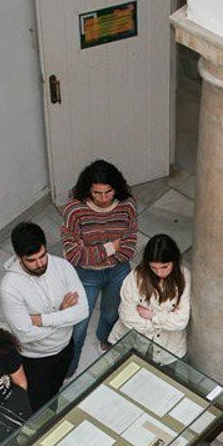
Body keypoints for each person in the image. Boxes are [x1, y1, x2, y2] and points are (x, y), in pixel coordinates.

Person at [0, 222, 89, 409]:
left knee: (55, 390)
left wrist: (42, 319)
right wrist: (64, 315)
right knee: (38, 404)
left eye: (42, 256)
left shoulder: (61, 266)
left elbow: (82, 311)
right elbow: (25, 335)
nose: (40, 264)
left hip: (65, 347)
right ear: (19, 257)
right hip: (36, 359)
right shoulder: (10, 288)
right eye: (31, 260)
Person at [61, 160, 139, 375]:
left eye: (108, 192)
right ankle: (68, 371)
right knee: (78, 326)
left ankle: (105, 340)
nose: (104, 199)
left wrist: (96, 253)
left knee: (112, 313)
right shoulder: (74, 211)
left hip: (118, 270)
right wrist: (110, 248)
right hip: (86, 276)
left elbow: (128, 249)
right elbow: (75, 255)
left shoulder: (127, 206)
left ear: (116, 188)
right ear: (88, 190)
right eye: (97, 193)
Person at [107, 234, 191, 358]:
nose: (159, 272)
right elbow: (127, 316)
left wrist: (152, 316)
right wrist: (163, 321)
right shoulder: (135, 278)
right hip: (132, 344)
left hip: (168, 350)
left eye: (164, 267)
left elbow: (181, 321)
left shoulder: (185, 277)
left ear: (174, 261)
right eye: (154, 268)